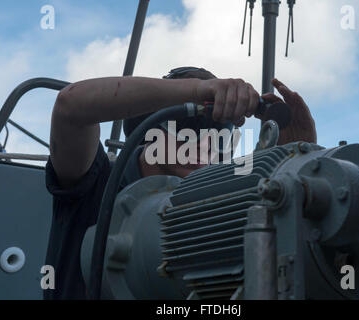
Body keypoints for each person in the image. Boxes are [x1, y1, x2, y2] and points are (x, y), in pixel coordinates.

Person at [44, 66, 317, 300]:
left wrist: (297, 156)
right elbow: (71, 107)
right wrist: (200, 91)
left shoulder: (220, 208)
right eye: (187, 125)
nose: (205, 142)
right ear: (147, 129)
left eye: (219, 131)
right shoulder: (96, 184)